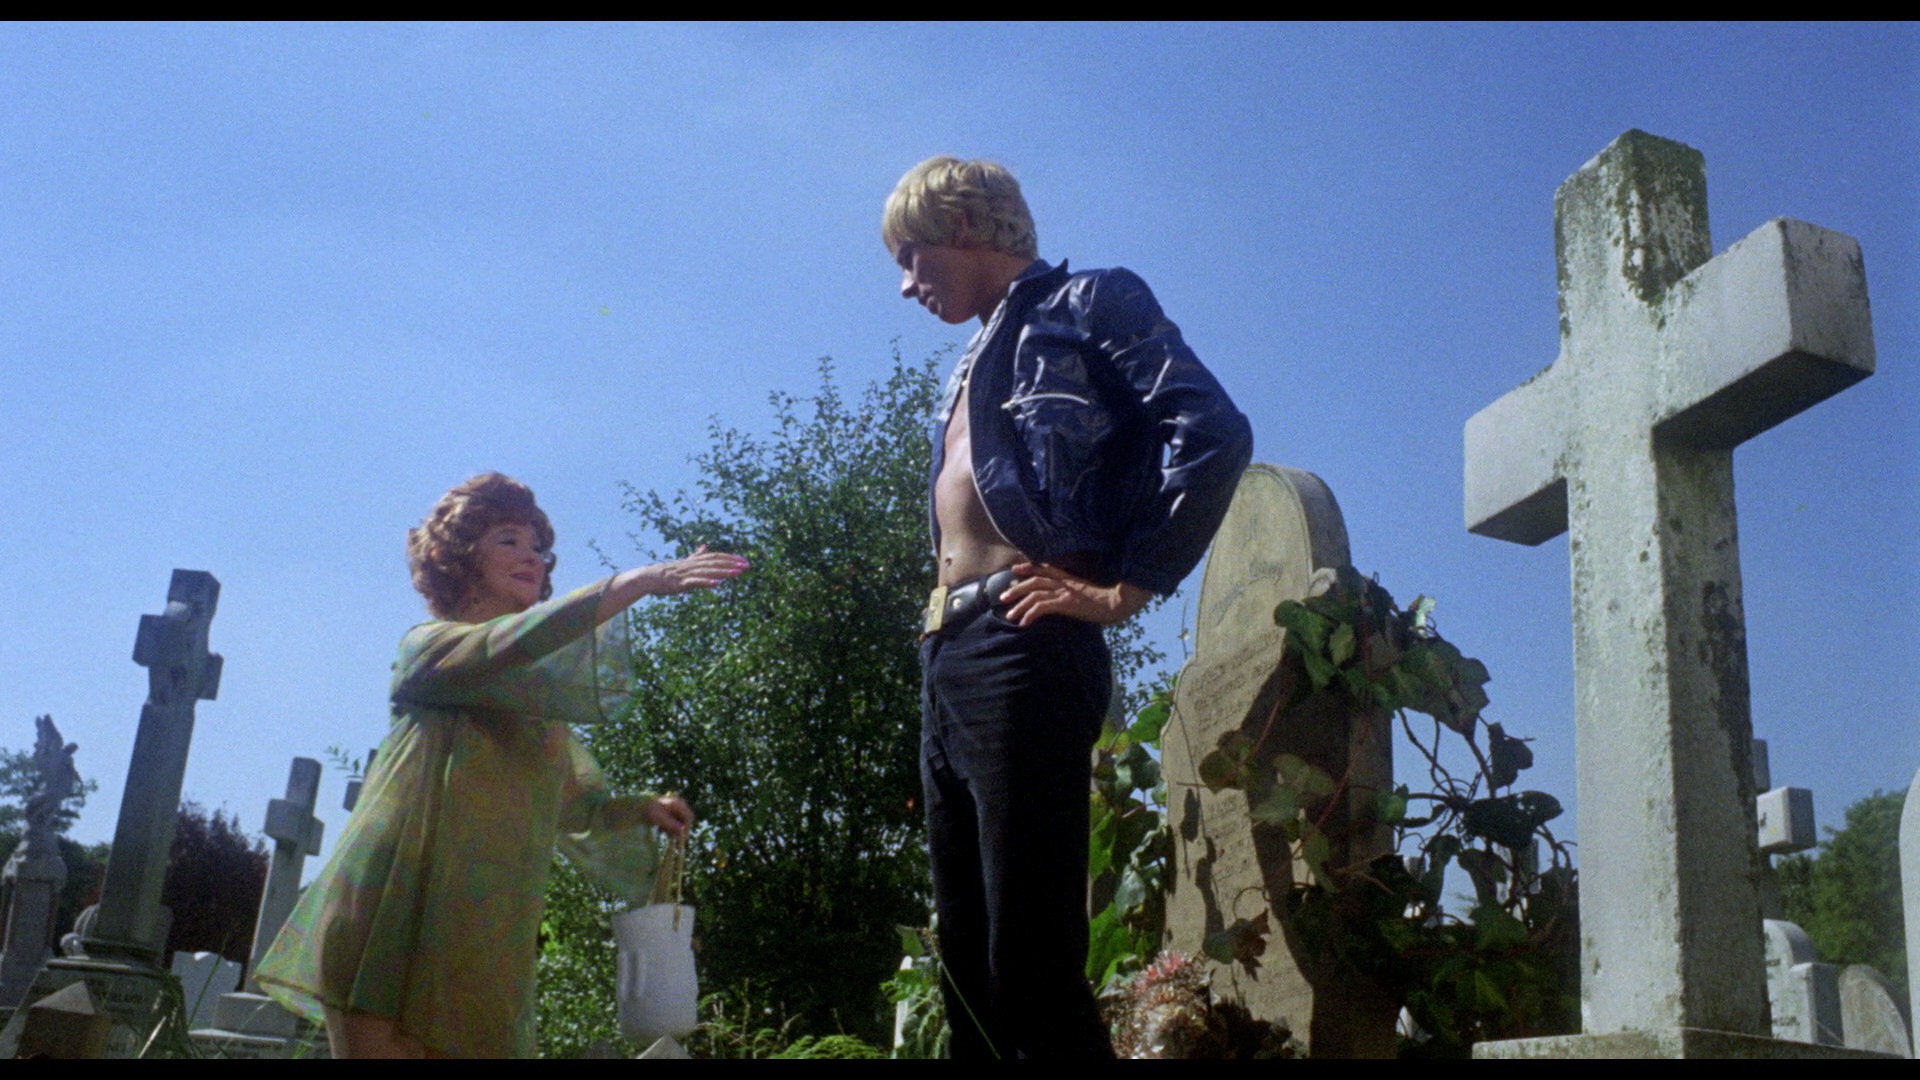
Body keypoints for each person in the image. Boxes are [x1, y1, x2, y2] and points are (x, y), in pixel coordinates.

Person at [884, 156, 1253, 1058]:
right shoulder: (975, 354)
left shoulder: (1089, 301)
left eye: (911, 257)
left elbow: (1212, 429)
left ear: (961, 225)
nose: (906, 285)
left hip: (1027, 637)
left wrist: (1129, 584)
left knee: (1029, 953)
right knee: (966, 961)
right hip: (948, 652)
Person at [255, 472, 747, 1058]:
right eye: (508, 539)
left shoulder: (537, 708)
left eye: (538, 546)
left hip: (479, 934)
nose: (533, 557)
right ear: (460, 559)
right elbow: (505, 646)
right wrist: (636, 583)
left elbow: (577, 809)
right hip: (391, 911)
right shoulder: (428, 648)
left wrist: (642, 809)